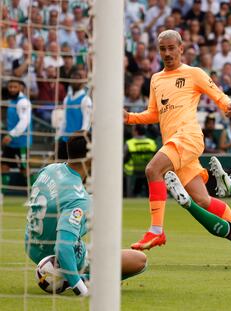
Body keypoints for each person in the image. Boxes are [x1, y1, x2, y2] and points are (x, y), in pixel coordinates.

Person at [124, 30, 231, 251]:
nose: (167, 53)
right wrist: (129, 118)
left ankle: (156, 231)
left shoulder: (193, 73)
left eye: (171, 48)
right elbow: (154, 113)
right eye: (162, 49)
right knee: (203, 200)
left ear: (181, 49)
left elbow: (216, 92)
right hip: (175, 143)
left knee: (152, 170)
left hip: (188, 136)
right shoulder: (156, 79)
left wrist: (227, 105)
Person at [25, 131, 147, 296]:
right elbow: (62, 247)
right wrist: (80, 288)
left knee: (97, 202)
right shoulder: (77, 197)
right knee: (139, 260)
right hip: (58, 258)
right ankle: (80, 278)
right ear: (90, 158)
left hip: (33, 248)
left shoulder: (49, 169)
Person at [1, 79, 32, 190]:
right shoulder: (12, 101)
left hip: (21, 142)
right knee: (3, 166)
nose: (12, 89)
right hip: (11, 142)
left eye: (15, 87)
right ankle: (1, 195)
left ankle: (35, 193)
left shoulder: (23, 102)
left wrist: (11, 135)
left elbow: (24, 122)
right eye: (10, 87)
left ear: (21, 88)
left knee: (24, 169)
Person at [57, 70, 92, 160]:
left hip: (77, 142)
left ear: (82, 82)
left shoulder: (85, 99)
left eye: (77, 79)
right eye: (73, 79)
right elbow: (64, 120)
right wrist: (58, 136)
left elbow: (86, 122)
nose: (74, 81)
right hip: (65, 139)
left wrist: (81, 139)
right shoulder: (66, 99)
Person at [124, 125, 157, 197]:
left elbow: (123, 159)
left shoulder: (129, 143)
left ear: (136, 131)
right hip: (147, 171)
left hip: (132, 171)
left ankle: (128, 195)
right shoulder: (151, 143)